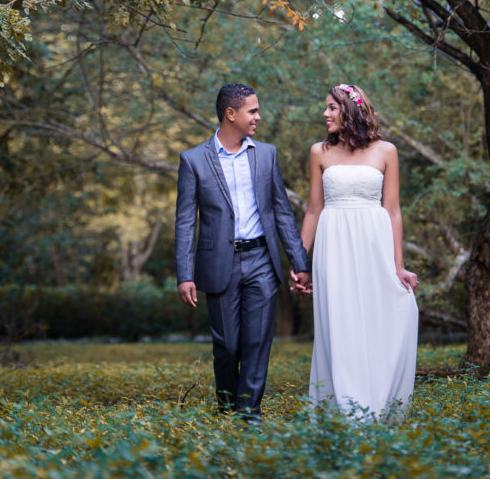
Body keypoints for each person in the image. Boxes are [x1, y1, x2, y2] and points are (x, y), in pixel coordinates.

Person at [175, 83, 312, 421]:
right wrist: (184, 274)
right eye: (253, 111)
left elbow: (282, 211)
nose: (258, 117)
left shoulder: (266, 154)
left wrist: (299, 263)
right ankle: (227, 408)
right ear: (230, 114)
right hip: (219, 264)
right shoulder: (193, 160)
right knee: (228, 346)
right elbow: (185, 222)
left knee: (256, 343)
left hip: (262, 261)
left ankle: (248, 414)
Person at [297, 83, 419, 420]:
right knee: (339, 323)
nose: (325, 114)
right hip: (333, 244)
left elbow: (393, 210)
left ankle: (377, 403)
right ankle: (343, 411)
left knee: (381, 319)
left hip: (373, 245)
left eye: (332, 108)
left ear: (351, 109)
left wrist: (399, 266)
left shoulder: (386, 151)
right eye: (326, 108)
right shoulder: (319, 152)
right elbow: (313, 210)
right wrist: (299, 260)